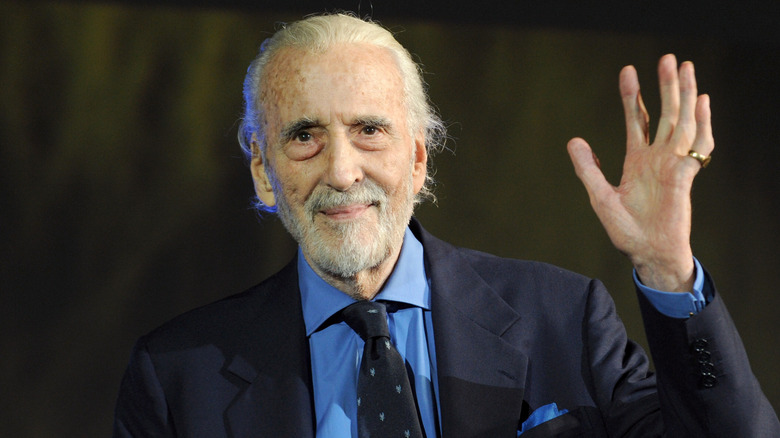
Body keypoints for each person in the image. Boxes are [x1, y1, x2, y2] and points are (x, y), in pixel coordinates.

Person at [113, 13, 780, 437]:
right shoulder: (177, 377)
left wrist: (667, 267)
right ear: (263, 171)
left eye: (370, 130)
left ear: (419, 157)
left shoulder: (562, 318)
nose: (342, 171)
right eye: (305, 136)